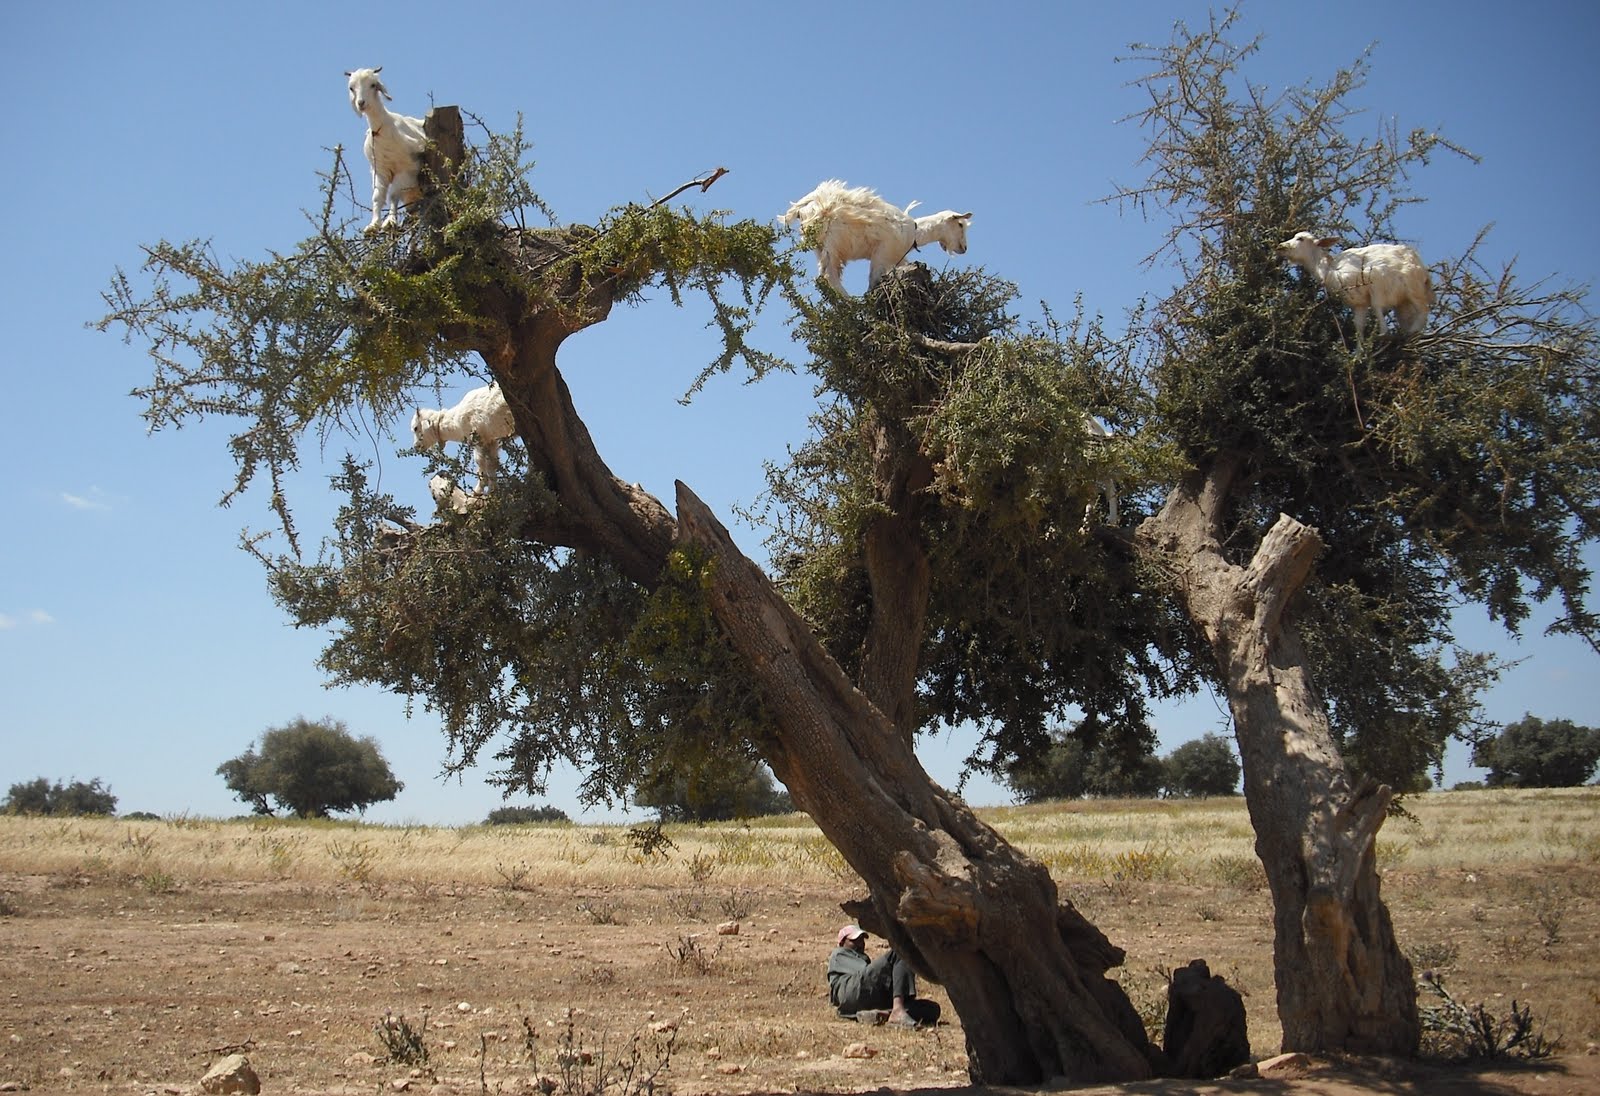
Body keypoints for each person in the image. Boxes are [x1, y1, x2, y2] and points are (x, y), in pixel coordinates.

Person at [826, 925, 941, 1028]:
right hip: (850, 992)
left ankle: (882, 1013)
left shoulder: (862, 959)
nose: (860, 944)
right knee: (901, 951)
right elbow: (866, 973)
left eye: (862, 940)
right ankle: (897, 1010)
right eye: (854, 940)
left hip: (867, 998)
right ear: (842, 942)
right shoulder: (839, 953)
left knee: (932, 1009)